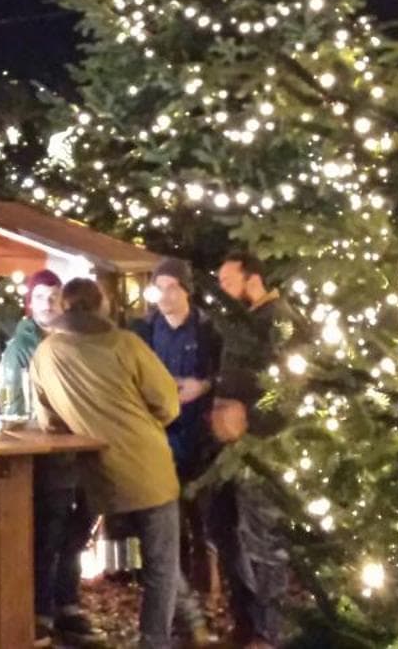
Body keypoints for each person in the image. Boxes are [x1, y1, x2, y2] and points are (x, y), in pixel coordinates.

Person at [28, 277, 184, 649]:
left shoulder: (46, 354)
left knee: (69, 539)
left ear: (64, 307)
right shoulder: (126, 344)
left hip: (92, 471)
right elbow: (168, 402)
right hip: (148, 467)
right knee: (160, 564)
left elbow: (49, 421)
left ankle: (55, 610)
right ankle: (154, 640)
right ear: (104, 305)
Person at [0, 270, 94, 644]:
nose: (48, 304)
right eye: (39, 296)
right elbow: (16, 407)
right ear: (29, 303)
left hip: (83, 452)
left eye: (53, 296)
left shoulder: (75, 340)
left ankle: (67, 602)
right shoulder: (21, 349)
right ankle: (42, 609)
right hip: (49, 455)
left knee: (77, 530)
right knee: (50, 533)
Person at [132, 257, 223, 645]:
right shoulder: (145, 331)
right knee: (170, 530)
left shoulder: (207, 330)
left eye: (172, 288)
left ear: (186, 291)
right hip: (161, 441)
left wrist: (204, 386)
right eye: (159, 288)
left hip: (201, 438)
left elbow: (226, 372)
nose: (166, 296)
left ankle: (209, 603)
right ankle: (180, 615)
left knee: (206, 525)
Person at [209, 252, 294, 649]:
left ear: (253, 279)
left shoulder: (279, 321)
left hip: (263, 448)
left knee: (264, 540)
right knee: (227, 530)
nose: (223, 290)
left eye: (229, 281)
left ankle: (270, 631)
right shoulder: (245, 321)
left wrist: (250, 418)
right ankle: (249, 621)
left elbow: (291, 385)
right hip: (231, 449)